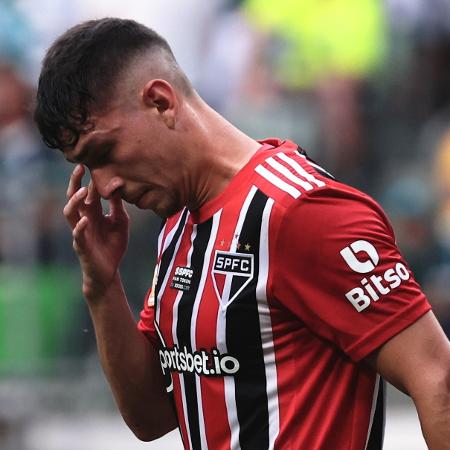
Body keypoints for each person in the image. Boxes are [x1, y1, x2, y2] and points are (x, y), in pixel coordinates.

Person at [33, 18, 450, 450]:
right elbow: (151, 416)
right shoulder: (177, 225)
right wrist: (102, 287)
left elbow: (438, 378)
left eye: (105, 153)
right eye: (85, 165)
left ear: (160, 101)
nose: (103, 187)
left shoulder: (299, 212)